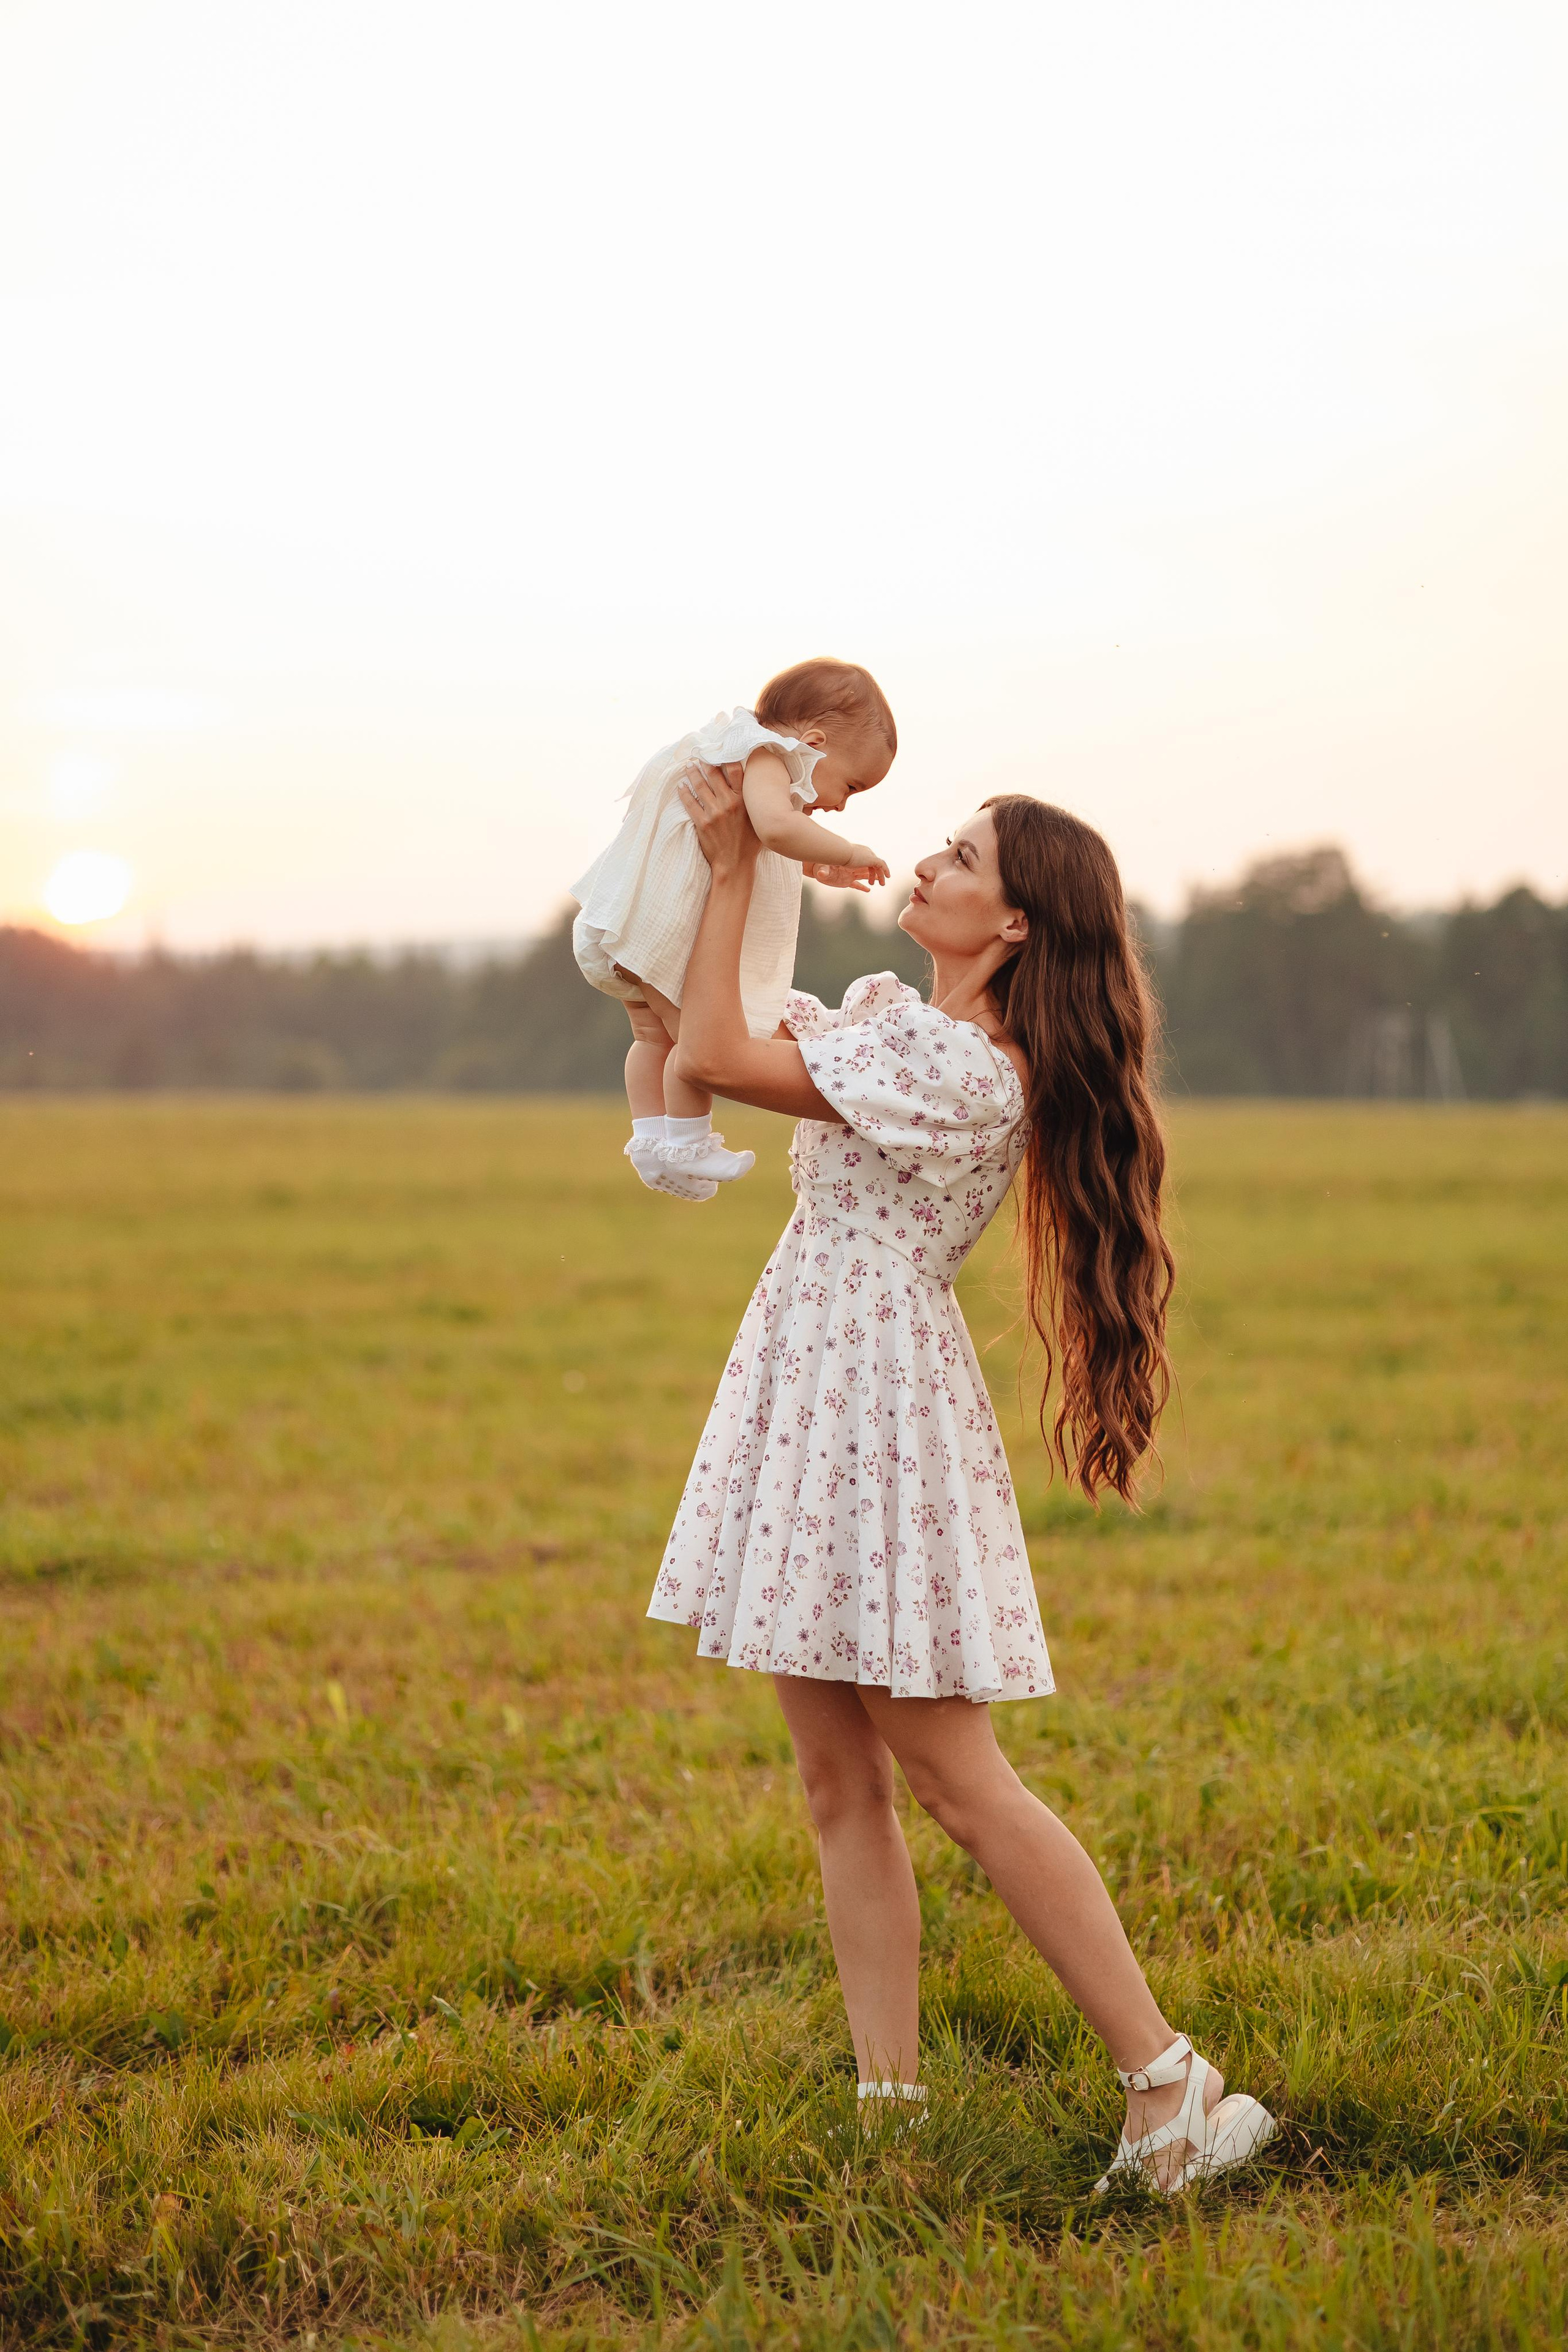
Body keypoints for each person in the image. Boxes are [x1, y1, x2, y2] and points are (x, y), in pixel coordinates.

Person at [646, 767, 1278, 2193]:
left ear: (1011, 923)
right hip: (809, 1378)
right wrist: (718, 863)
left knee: (947, 1766)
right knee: (831, 1775)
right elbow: (701, 1046)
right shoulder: (895, 1022)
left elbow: (725, 1056)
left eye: (959, 856)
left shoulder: (960, 1064)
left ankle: (1170, 2081)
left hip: (872, 1404)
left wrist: (737, 859)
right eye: (934, 845)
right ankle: (890, 2109)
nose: (924, 864)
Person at [570, 659, 895, 1201]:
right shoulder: (766, 756)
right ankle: (690, 1141)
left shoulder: (733, 746)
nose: (839, 804)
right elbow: (773, 827)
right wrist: (849, 850)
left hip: (630, 926)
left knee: (652, 1037)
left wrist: (816, 866)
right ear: (813, 742)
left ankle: (651, 1140)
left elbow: (764, 838)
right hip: (668, 932)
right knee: (695, 1040)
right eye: (852, 786)